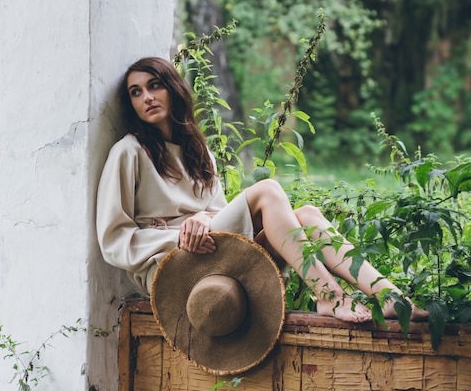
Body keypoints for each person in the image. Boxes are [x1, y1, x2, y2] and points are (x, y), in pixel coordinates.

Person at [96, 56, 427, 323]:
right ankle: (329, 296)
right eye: (136, 92)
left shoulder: (199, 152)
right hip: (168, 268)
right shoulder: (130, 152)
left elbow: (218, 215)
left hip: (211, 254)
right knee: (267, 190)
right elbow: (114, 239)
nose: (147, 97)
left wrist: (202, 218)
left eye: (154, 86)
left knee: (308, 215)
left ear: (172, 89)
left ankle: (392, 298)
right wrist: (182, 233)